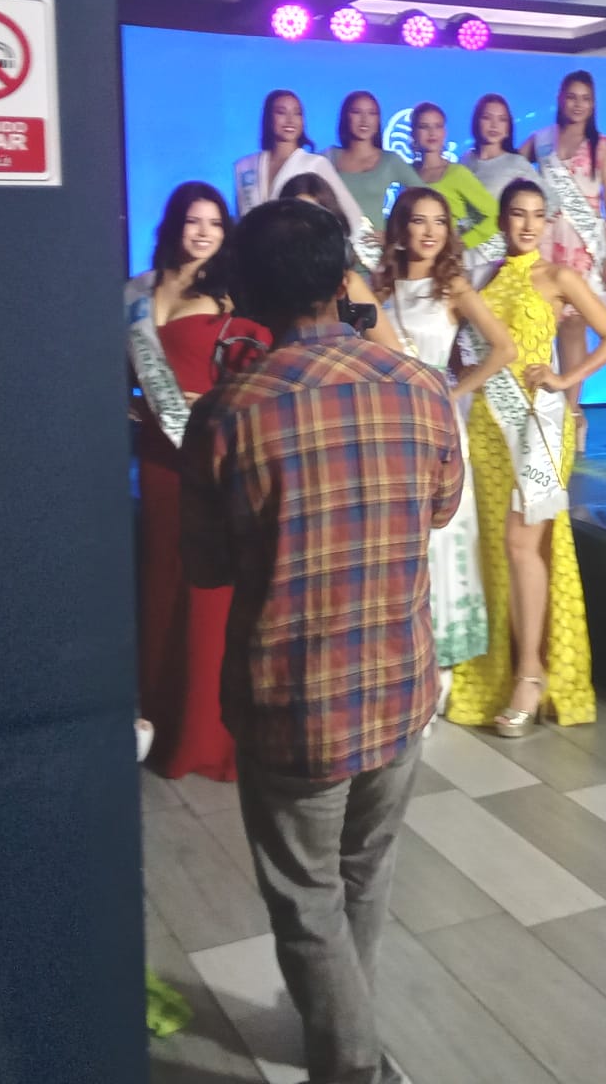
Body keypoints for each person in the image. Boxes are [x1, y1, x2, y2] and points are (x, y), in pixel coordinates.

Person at [180, 199, 463, 1084]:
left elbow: (205, 565)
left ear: (248, 294)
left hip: (292, 698)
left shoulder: (228, 413)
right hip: (400, 685)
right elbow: (441, 508)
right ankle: (346, 1038)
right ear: (345, 280)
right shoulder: (419, 387)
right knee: (364, 875)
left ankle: (352, 1067)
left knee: (307, 899)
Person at [446, 179, 606, 738]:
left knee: (523, 543)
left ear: (548, 222)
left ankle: (531, 673)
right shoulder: (485, 277)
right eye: (517, 214)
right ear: (502, 221)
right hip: (489, 427)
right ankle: (504, 665)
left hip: (541, 427)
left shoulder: (559, 277)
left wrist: (567, 381)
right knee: (501, 548)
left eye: (536, 215)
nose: (527, 224)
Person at [128, 183, 266, 781]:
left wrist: (213, 401)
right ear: (174, 225)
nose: (203, 232)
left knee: (205, 588)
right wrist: (131, 403)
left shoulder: (230, 296)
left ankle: (208, 733)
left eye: (213, 223)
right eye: (193, 221)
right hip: (156, 459)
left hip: (205, 452)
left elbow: (254, 374)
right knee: (161, 581)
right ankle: (159, 718)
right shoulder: (137, 292)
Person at [376, 188, 516, 697]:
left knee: (442, 537)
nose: (431, 231)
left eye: (440, 222)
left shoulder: (452, 286)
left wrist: (455, 391)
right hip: (389, 428)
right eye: (419, 221)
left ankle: (442, 670)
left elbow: (503, 348)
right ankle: (400, 659)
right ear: (401, 229)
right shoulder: (377, 290)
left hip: (437, 424)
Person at [522, 71, 606, 454]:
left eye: (585, 98)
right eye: (572, 97)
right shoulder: (542, 140)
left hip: (584, 247)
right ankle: (542, 410)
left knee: (574, 328)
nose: (578, 104)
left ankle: (572, 412)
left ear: (593, 105)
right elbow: (511, 169)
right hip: (546, 243)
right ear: (560, 99)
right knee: (541, 324)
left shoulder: (603, 147)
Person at [277, 173, 404, 355]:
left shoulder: (348, 282)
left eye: (315, 217)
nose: (306, 226)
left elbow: (394, 352)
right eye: (297, 216)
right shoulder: (268, 283)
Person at [233, 89, 364, 233]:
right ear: (268, 118)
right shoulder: (245, 166)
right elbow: (241, 221)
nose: (290, 120)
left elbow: (352, 215)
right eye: (281, 112)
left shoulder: (315, 164)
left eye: (297, 113)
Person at [322, 90, 420, 262]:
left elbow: (426, 198)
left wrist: (395, 234)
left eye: (372, 113)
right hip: (334, 255)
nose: (364, 120)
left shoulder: (390, 160)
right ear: (346, 117)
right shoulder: (327, 158)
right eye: (356, 112)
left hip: (374, 259)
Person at [461, 93, 543, 287]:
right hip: (463, 255)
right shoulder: (464, 161)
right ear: (476, 122)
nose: (494, 125)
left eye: (502, 119)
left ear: (508, 128)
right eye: (487, 117)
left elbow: (551, 202)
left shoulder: (516, 163)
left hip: (495, 258)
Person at [409, 102, 500, 254]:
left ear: (444, 132)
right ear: (413, 133)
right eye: (424, 127)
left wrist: (465, 241)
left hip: (447, 257)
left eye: (438, 126)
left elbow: (495, 214)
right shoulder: (407, 173)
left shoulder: (457, 173)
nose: (432, 133)